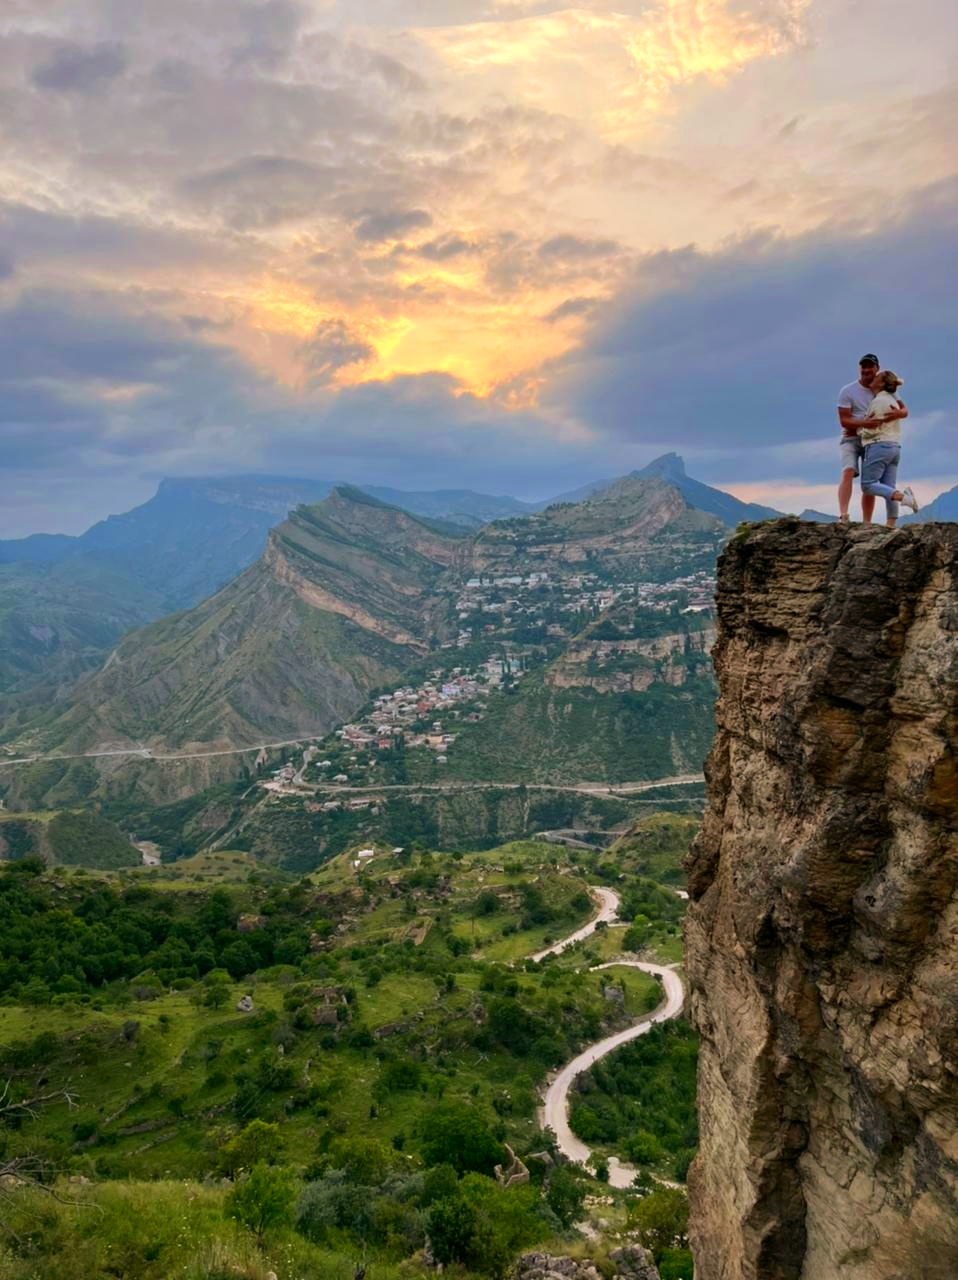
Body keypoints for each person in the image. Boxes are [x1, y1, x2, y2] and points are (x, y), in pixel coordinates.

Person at [836, 354, 908, 524]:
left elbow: (905, 411)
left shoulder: (884, 391)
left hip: (874, 441)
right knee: (848, 470)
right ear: (859, 368)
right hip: (852, 439)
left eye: (870, 366)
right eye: (863, 366)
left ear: (877, 369)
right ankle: (843, 516)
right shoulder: (848, 391)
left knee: (870, 482)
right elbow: (844, 420)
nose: (866, 370)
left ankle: (867, 523)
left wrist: (897, 413)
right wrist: (864, 424)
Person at [859, 370, 919, 526]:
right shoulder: (892, 399)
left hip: (879, 445)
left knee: (867, 485)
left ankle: (904, 497)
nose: (874, 378)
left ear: (882, 383)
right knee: (888, 487)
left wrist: (861, 428)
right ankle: (891, 526)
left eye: (877, 377)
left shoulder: (878, 402)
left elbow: (873, 427)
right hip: (894, 447)